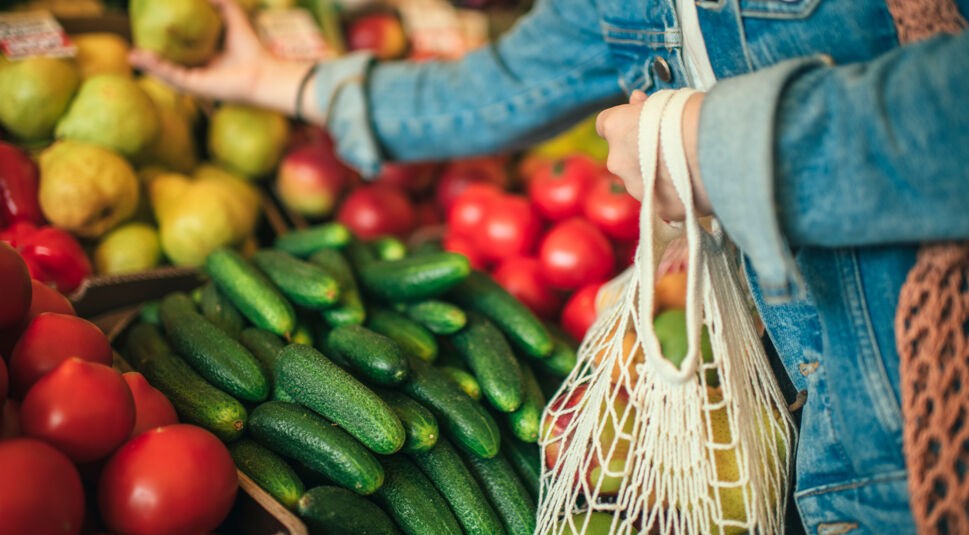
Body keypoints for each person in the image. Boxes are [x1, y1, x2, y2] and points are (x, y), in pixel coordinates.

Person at [132, 0, 969, 531]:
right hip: (815, 453)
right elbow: (495, 87)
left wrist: (716, 149)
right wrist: (281, 80)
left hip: (931, 440)